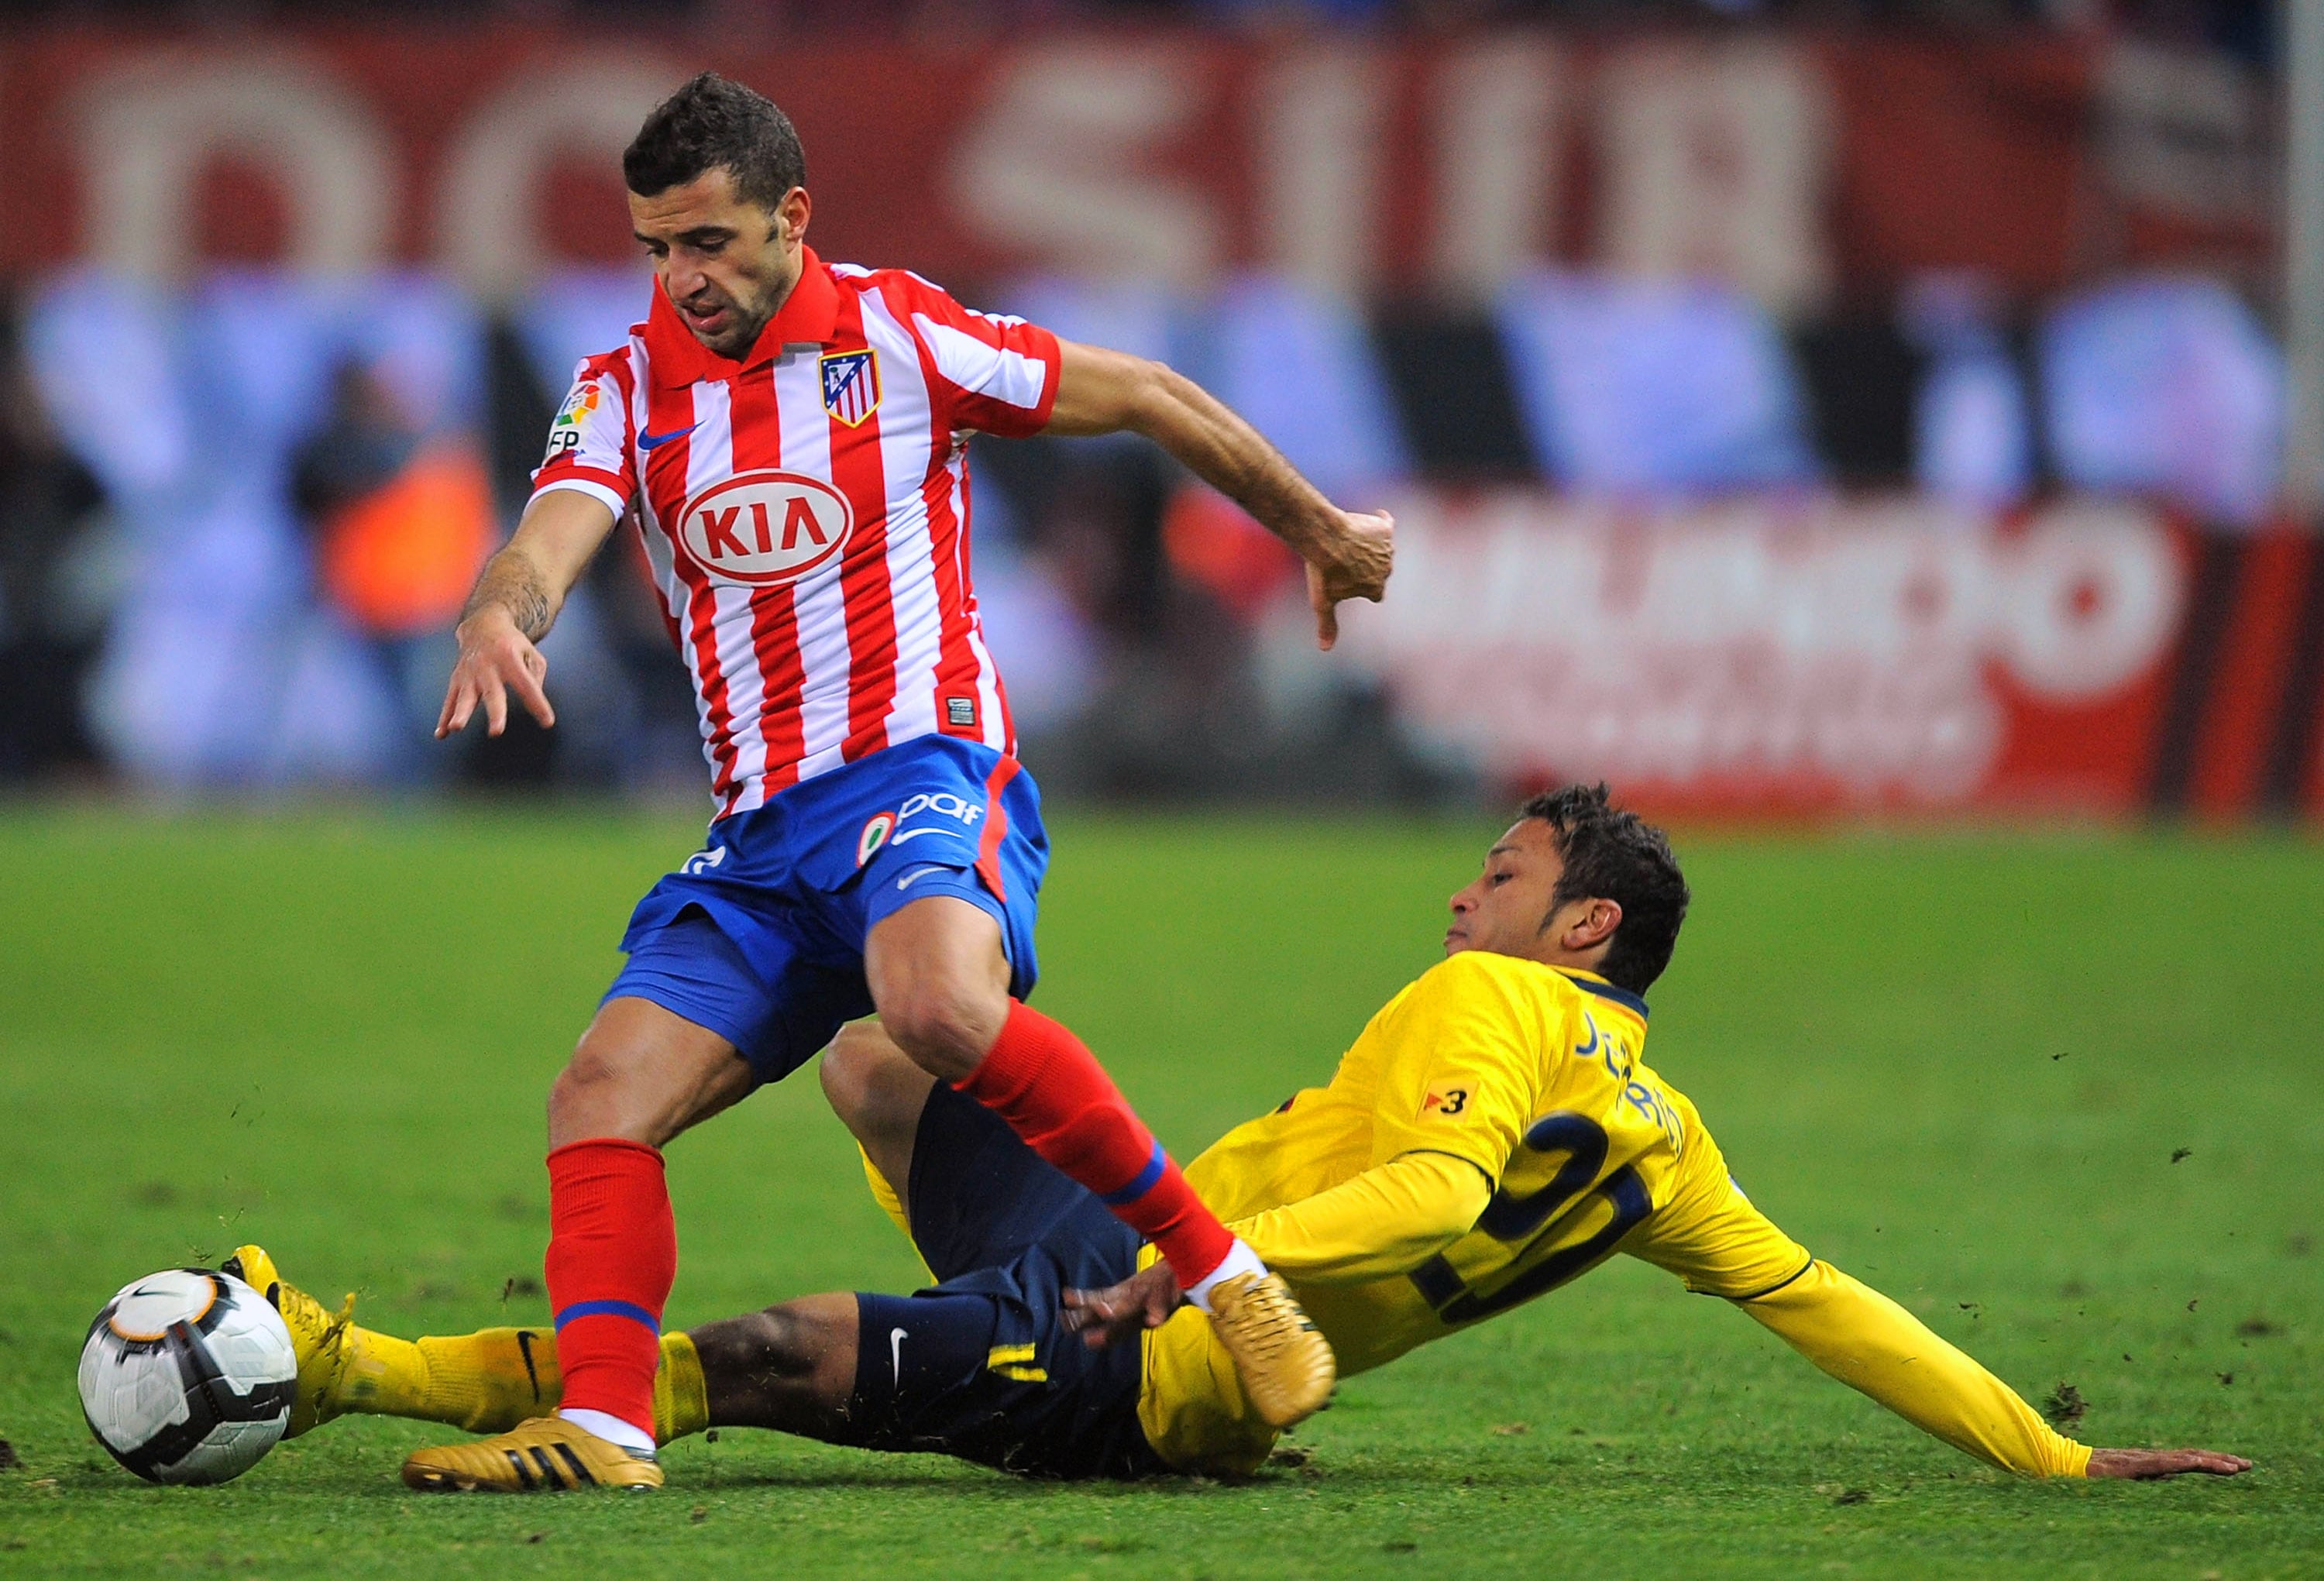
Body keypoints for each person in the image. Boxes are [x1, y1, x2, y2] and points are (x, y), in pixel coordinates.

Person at [226, 785, 2247, 1487]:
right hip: (1130, 1254)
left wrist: (1209, 1273)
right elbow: (1823, 1300)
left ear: (1585, 927)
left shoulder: (1487, 1006)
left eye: (1505, 870)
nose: (1465, 891)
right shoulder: (1666, 1141)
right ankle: (995, 1289)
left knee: (759, 1358)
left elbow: (1436, 1188)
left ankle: (343, 1364)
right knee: (881, 1066)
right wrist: (2052, 1450)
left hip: (1154, 1355)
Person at [421, 73, 1392, 1490]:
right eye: (656, 249)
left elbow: (1143, 392)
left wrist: (1316, 527)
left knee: (932, 1008)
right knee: (600, 1092)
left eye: (709, 243)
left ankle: (1221, 1271)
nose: (681, 279)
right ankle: (609, 1430)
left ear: (791, 215)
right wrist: (498, 614)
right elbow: (549, 535)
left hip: (921, 770)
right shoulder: (623, 385)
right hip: (761, 840)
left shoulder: (903, 333)